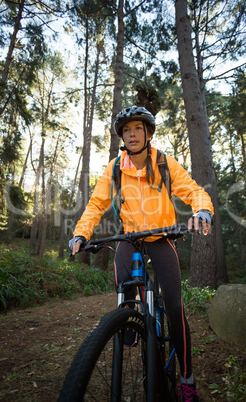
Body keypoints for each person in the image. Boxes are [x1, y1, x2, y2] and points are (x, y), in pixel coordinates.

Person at [69, 105, 214, 401]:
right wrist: (80, 233)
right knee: (125, 293)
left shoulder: (163, 162)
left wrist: (202, 209)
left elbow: (193, 189)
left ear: (147, 133)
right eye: (126, 130)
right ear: (121, 136)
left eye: (137, 128)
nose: (132, 134)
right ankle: (130, 324)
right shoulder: (114, 168)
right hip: (129, 238)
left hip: (161, 237)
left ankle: (186, 379)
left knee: (174, 308)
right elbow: (96, 205)